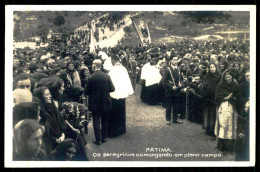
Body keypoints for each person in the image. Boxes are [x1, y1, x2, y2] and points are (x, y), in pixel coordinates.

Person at [85, 59, 115, 145]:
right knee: (105, 120)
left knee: (96, 120)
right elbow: (112, 89)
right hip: (106, 102)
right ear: (101, 66)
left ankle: (98, 140)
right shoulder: (107, 76)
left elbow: (86, 92)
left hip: (95, 103)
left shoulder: (91, 77)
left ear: (94, 66)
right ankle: (104, 137)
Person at [108, 55, 133, 138]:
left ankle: (113, 131)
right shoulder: (123, 69)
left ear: (114, 60)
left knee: (113, 112)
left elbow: (109, 82)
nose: (111, 62)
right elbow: (127, 81)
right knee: (121, 111)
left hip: (114, 94)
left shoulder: (112, 70)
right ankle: (121, 129)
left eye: (111, 60)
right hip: (122, 93)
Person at [214, 70, 239, 153]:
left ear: (232, 76)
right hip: (224, 106)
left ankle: (231, 145)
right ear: (224, 78)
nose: (228, 78)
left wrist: (233, 98)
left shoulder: (235, 84)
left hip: (233, 107)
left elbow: (237, 94)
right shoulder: (221, 85)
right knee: (223, 124)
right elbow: (217, 96)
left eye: (229, 76)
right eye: (226, 77)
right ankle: (222, 144)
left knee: (232, 124)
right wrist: (226, 97)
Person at [201, 62, 221, 137]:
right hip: (207, 99)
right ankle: (208, 128)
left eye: (213, 67)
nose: (212, 69)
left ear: (216, 68)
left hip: (214, 99)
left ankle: (213, 130)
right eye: (211, 67)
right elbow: (204, 87)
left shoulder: (219, 76)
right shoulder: (206, 77)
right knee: (208, 114)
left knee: (214, 114)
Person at [162, 56, 183, 125]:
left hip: (177, 90)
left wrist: (180, 83)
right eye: (174, 60)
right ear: (171, 61)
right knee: (169, 105)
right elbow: (164, 81)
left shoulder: (178, 69)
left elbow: (180, 79)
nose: (176, 61)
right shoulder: (167, 69)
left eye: (176, 60)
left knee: (176, 105)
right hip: (169, 91)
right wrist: (171, 87)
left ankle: (175, 119)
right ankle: (168, 119)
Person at [235, 70, 250, 160]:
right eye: (246, 76)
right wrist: (246, 102)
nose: (248, 78)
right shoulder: (242, 86)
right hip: (244, 110)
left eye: (250, 76)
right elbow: (239, 98)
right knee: (242, 131)